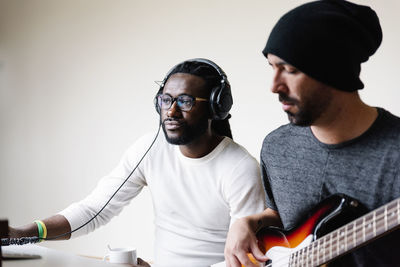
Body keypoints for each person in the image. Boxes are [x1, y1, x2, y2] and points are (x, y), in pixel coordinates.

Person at [8, 58, 266, 267]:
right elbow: (94, 210)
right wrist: (24, 233)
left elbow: (246, 260)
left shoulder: (239, 168)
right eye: (166, 100)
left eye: (185, 101)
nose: (171, 112)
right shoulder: (150, 149)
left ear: (215, 107)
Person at [224, 1, 400, 267]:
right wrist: (249, 222)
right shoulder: (277, 146)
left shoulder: (395, 153)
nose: (274, 86)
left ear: (335, 72)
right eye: (272, 67)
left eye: (290, 69)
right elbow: (283, 216)